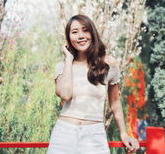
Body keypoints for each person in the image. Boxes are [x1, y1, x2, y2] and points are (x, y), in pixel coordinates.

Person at [47, 14, 139, 154]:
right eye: (75, 32)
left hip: (94, 137)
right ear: (69, 38)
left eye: (85, 30)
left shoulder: (108, 64)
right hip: (63, 134)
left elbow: (114, 102)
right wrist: (69, 58)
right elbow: (65, 95)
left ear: (92, 33)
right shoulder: (63, 67)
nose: (81, 36)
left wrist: (123, 134)